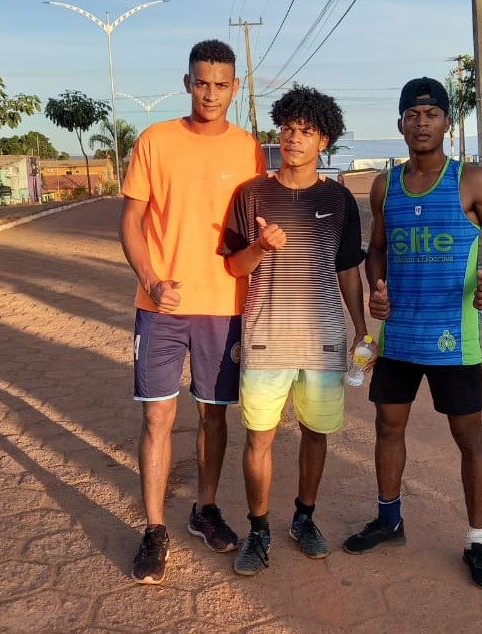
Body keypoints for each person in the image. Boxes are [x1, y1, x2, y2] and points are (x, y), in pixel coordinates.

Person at [342, 77, 482, 589]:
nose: (422, 123)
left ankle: (477, 541)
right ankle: (389, 521)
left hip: (454, 339)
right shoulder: (385, 186)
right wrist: (376, 287)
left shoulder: (474, 181)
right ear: (400, 124)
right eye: (412, 115)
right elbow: (377, 249)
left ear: (447, 122)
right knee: (387, 427)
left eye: (432, 114)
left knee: (469, 438)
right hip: (399, 335)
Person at [119, 39, 264, 585]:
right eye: (201, 82)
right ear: (187, 83)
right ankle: (154, 529)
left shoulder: (249, 149)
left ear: (235, 88)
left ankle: (204, 509)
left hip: (224, 306)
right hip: (161, 305)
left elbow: (257, 229)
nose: (210, 93)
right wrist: (151, 280)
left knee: (213, 414)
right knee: (157, 416)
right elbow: (130, 222)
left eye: (221, 85)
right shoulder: (155, 141)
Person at [221, 85, 367, 577]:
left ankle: (304, 518)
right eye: (287, 128)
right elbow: (235, 267)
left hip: (322, 339)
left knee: (316, 434)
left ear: (324, 141)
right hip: (265, 338)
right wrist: (261, 246)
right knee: (258, 437)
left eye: (306, 131)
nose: (293, 138)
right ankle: (259, 530)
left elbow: (348, 270)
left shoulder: (339, 200)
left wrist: (360, 328)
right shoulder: (251, 195)